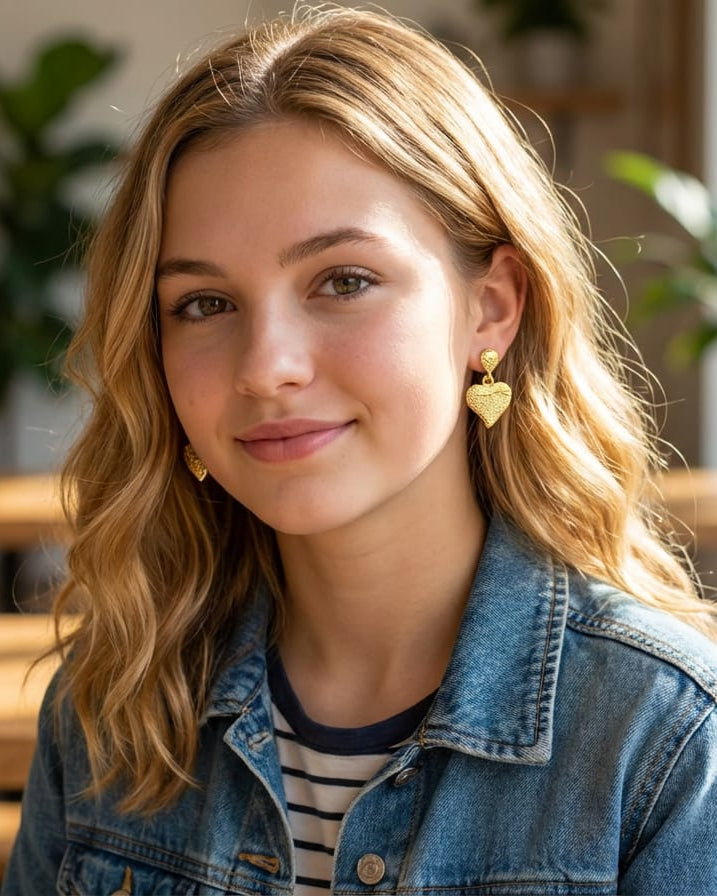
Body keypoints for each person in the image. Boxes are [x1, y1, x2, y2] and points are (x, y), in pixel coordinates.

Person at [4, 6, 717, 895]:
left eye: (343, 282)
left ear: (490, 307)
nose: (266, 369)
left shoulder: (667, 739)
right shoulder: (114, 702)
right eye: (203, 304)